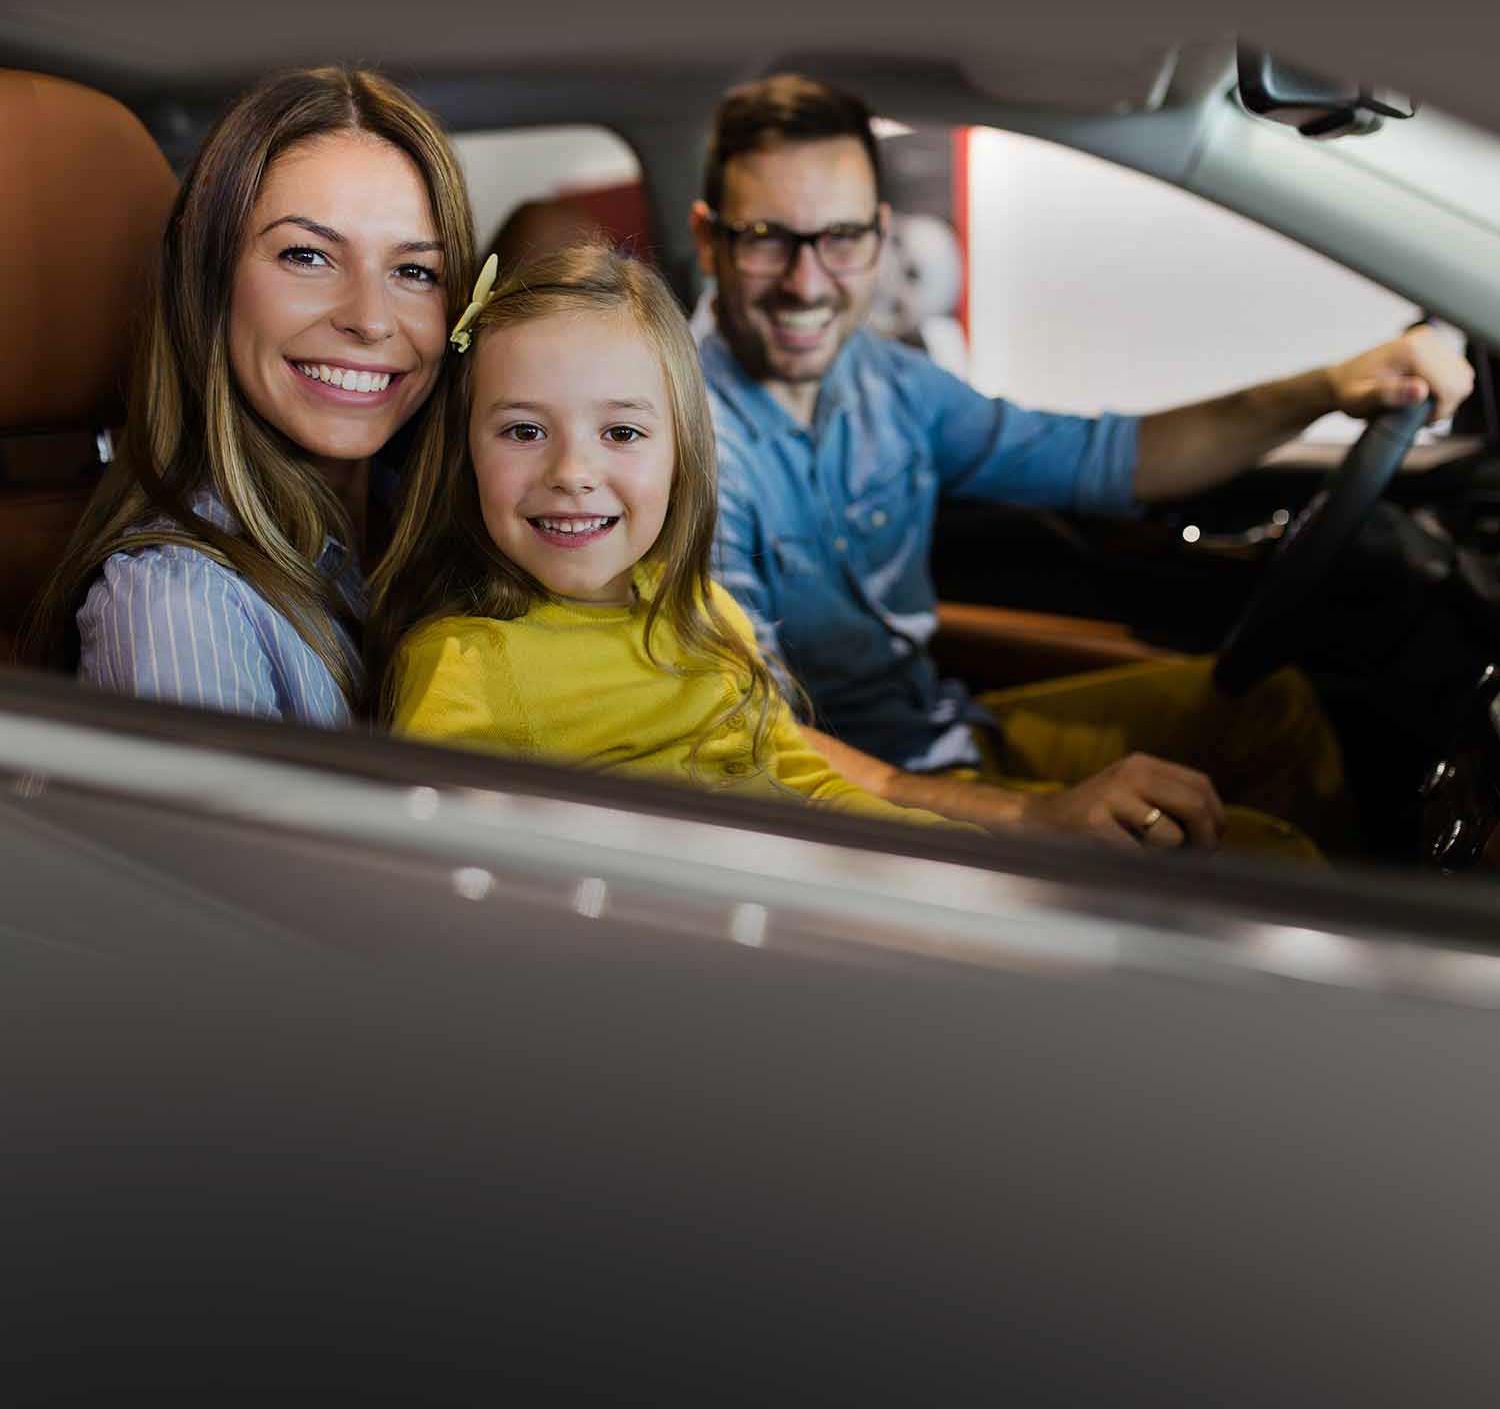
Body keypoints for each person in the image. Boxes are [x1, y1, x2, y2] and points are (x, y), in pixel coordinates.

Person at [692, 74, 1474, 856]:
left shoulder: (885, 381)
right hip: (855, 815)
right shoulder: (683, 446)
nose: (806, 283)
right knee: (1273, 858)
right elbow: (758, 743)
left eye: (840, 237)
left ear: (880, 235)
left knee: (1272, 707)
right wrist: (1027, 816)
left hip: (942, 735)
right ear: (707, 240)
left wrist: (1330, 386)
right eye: (765, 238)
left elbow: (1108, 459)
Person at [380, 243, 943, 825]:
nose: (571, 472)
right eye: (524, 431)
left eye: (621, 433)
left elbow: (802, 778)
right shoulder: (466, 669)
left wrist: (943, 845)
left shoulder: (705, 610)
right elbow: (449, 857)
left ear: (681, 451)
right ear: (466, 455)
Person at [23, 65, 476, 723]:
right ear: (210, 281)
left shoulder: (445, 528)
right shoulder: (179, 606)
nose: (371, 319)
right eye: (306, 256)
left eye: (414, 270)